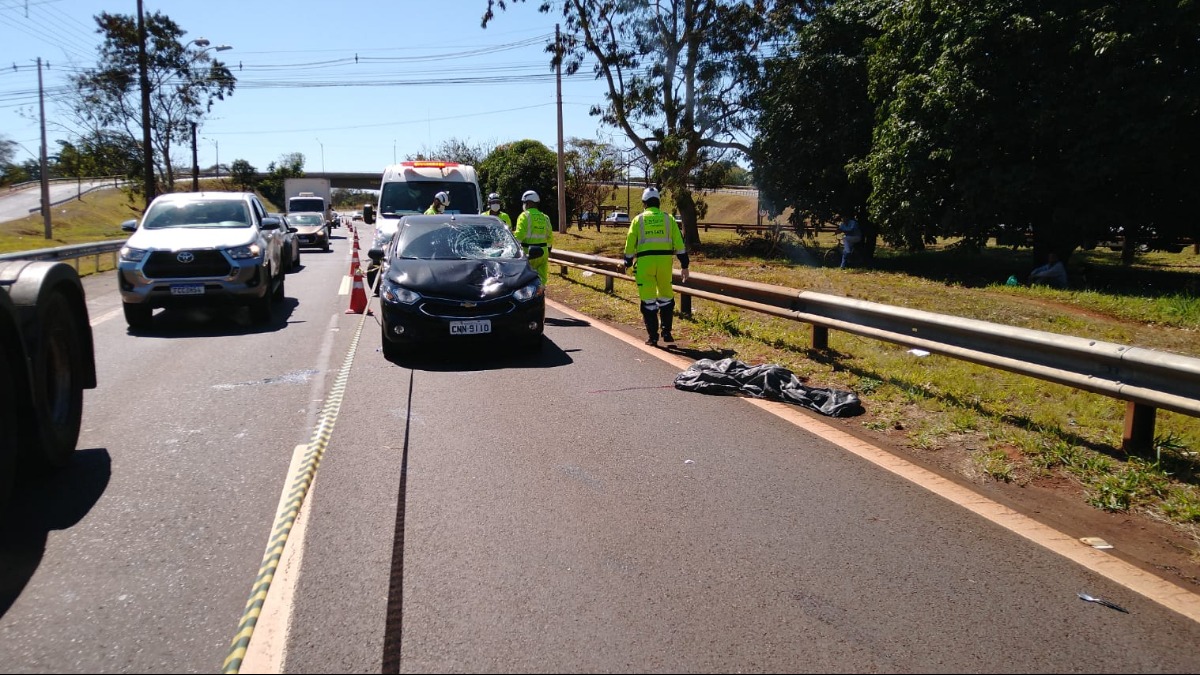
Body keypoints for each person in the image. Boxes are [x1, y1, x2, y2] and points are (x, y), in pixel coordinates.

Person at [624, 186, 690, 346]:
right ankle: (666, 332)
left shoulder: (638, 220)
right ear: (658, 203)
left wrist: (627, 262)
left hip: (645, 264)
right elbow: (679, 244)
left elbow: (630, 244)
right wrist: (684, 265)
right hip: (664, 263)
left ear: (644, 203)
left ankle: (653, 337)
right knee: (666, 296)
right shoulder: (669, 219)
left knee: (648, 300)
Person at [513, 189, 554, 284]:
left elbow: (519, 236)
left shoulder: (524, 216)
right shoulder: (545, 217)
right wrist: (548, 249)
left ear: (527, 203)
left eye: (524, 203)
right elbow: (550, 236)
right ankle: (541, 291)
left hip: (529, 253)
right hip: (543, 252)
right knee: (541, 279)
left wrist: (512, 248)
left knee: (526, 280)